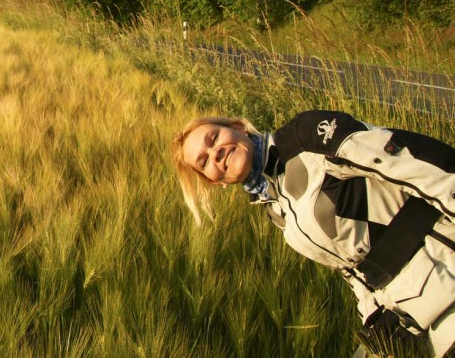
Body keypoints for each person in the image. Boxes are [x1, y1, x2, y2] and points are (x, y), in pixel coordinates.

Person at [171, 109, 455, 357]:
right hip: (421, 315)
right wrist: (375, 322)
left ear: (238, 128)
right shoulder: (276, 209)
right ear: (214, 181)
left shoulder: (304, 137)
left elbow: (408, 160)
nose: (215, 153)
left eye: (214, 139)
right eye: (204, 161)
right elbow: (352, 268)